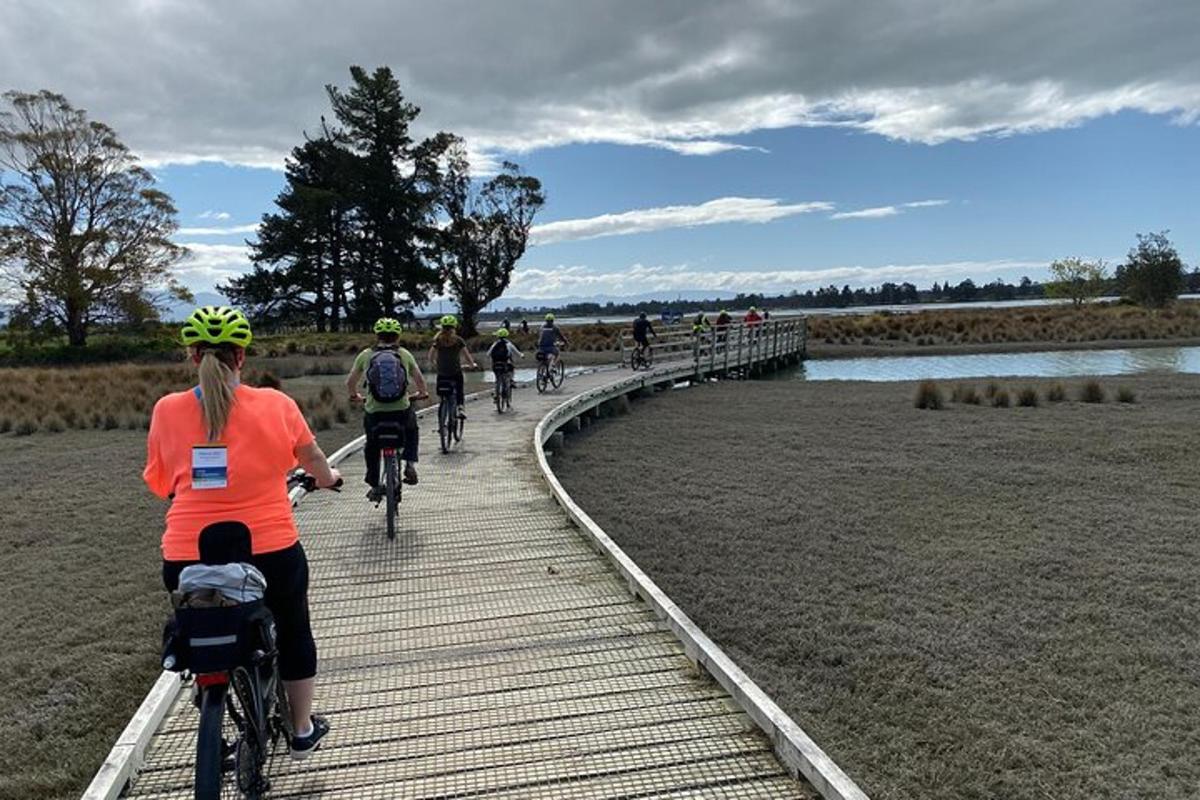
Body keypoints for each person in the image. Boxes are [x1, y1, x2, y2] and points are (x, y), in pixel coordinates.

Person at [144, 305, 340, 758]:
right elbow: (312, 462)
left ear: (193, 357)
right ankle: (302, 729)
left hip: (186, 554)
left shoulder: (166, 409)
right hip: (269, 548)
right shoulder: (276, 403)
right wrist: (329, 478)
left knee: (204, 625)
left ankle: (213, 696)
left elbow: (159, 484)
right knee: (293, 629)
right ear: (241, 358)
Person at [346, 317, 429, 496]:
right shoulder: (404, 354)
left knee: (372, 444)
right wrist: (422, 393)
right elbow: (419, 379)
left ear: (378, 335)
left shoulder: (366, 354)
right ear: (398, 336)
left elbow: (350, 381)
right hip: (401, 409)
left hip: (375, 411)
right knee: (412, 429)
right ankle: (410, 464)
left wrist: (354, 395)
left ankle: (374, 483)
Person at [427, 314, 478, 418]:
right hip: (455, 371)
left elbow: (430, 356)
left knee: (442, 393)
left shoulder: (438, 340)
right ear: (454, 327)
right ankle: (460, 408)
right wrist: (472, 365)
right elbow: (467, 355)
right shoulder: (458, 340)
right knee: (459, 389)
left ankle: (443, 406)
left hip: (442, 373)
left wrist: (435, 364)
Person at [488, 328, 524, 393]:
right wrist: (522, 355)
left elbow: (488, 354)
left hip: (495, 364)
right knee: (511, 369)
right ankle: (511, 380)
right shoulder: (509, 344)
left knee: (497, 378)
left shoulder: (494, 344)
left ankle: (497, 393)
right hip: (505, 363)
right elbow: (517, 352)